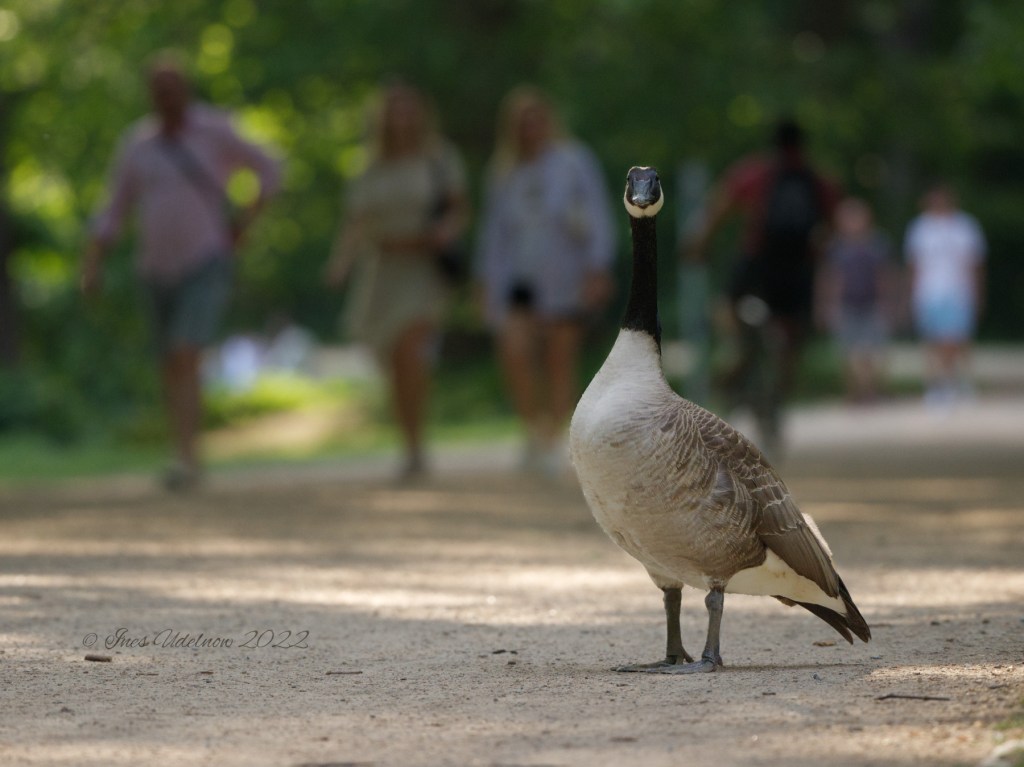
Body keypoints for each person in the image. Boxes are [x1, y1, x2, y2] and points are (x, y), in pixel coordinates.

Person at [82, 55, 281, 491]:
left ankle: (188, 458)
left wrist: (245, 223)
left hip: (206, 259)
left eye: (172, 87)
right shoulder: (136, 144)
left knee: (185, 351)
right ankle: (183, 449)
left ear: (186, 89)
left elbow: (270, 168)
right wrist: (92, 262)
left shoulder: (214, 130)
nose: (165, 97)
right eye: (157, 89)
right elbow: (113, 210)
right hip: (154, 267)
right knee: (169, 362)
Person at [325, 82, 468, 481]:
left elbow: (458, 209)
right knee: (391, 360)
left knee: (410, 353)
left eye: (408, 109)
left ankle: (417, 446)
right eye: (394, 111)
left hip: (422, 270)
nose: (402, 118)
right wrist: (340, 264)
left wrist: (444, 232)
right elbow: (355, 223)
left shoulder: (439, 157)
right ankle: (408, 442)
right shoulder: (368, 164)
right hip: (382, 269)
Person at [475, 86, 615, 476]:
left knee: (559, 360)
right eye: (522, 122)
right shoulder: (505, 172)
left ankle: (555, 438)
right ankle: (532, 427)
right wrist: (486, 282)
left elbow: (598, 217)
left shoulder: (574, 162)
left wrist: (598, 267)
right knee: (515, 350)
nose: (531, 128)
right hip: (520, 280)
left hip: (566, 276)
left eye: (536, 119)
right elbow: (494, 234)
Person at [686, 118, 839, 456]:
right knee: (791, 340)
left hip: (756, 264)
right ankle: (775, 399)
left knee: (731, 312)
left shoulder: (756, 172)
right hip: (796, 269)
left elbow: (719, 209)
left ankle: (734, 360)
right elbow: (832, 227)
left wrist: (699, 246)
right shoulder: (818, 179)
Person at [903, 183, 986, 408]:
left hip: (958, 291)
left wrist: (977, 293)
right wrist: (911, 294)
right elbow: (914, 266)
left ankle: (955, 382)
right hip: (928, 292)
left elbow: (974, 264)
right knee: (932, 341)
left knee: (955, 340)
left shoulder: (965, 226)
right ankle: (936, 385)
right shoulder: (919, 228)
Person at [816, 197, 898, 404]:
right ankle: (853, 393)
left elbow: (884, 276)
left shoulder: (877, 244)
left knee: (872, 351)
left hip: (871, 304)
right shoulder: (836, 248)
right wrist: (826, 305)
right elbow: (830, 278)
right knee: (847, 352)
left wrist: (888, 302)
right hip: (846, 305)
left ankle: (871, 392)